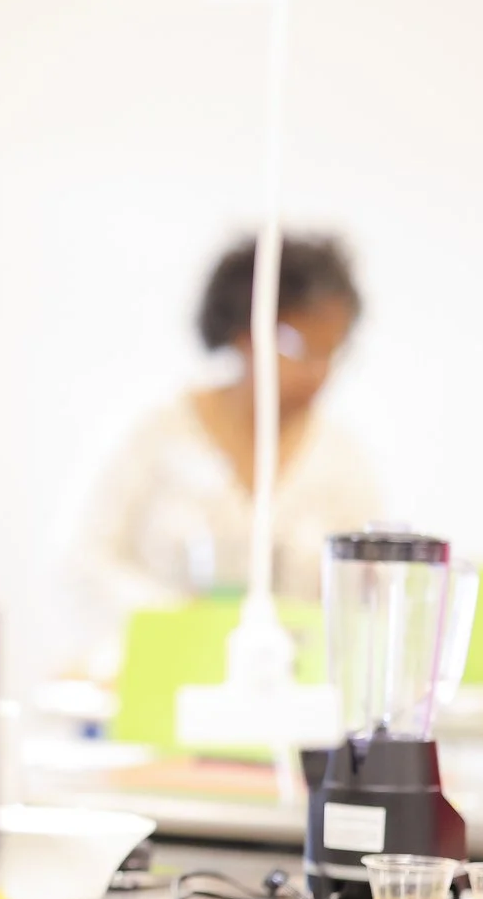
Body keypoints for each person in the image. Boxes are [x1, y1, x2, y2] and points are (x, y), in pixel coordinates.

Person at [67, 232, 380, 674]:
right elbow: (84, 562)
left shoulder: (341, 459)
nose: (320, 373)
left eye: (333, 352)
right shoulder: (155, 434)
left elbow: (367, 592)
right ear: (245, 333)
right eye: (304, 348)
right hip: (161, 680)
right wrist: (176, 618)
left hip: (288, 691)